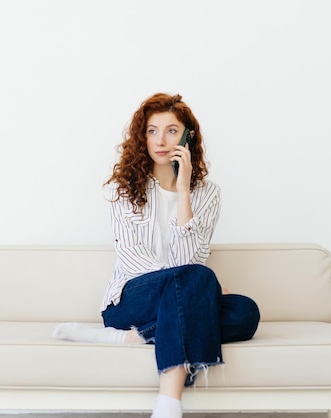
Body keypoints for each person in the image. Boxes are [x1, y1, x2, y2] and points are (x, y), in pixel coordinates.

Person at [54, 93, 260, 418]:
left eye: (171, 130)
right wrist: (195, 283)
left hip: (165, 305)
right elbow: (137, 259)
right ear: (142, 136)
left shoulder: (208, 194)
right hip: (130, 300)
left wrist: (183, 190)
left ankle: (130, 339)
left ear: (188, 136)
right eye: (152, 131)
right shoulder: (121, 189)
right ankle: (169, 402)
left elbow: (192, 257)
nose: (161, 140)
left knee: (246, 312)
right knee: (198, 277)